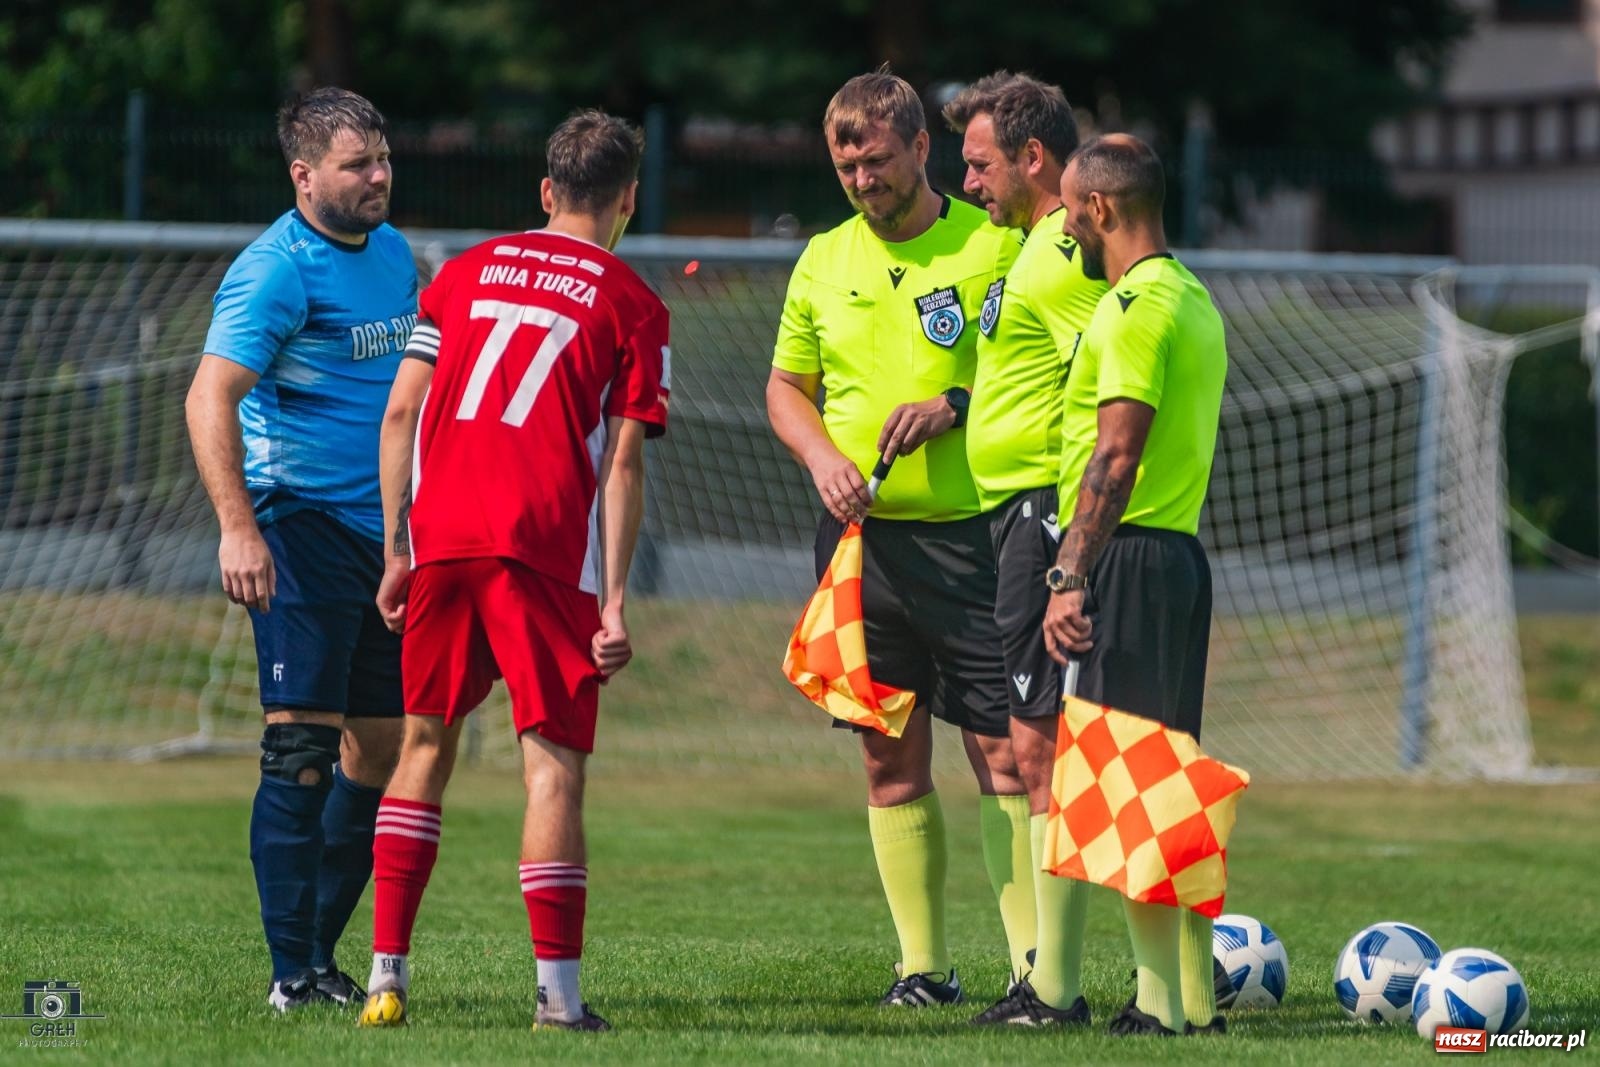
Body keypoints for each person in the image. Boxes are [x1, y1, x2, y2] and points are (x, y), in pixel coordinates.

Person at [356, 108, 668, 1033]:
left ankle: (385, 977)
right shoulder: (632, 302)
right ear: (628, 202)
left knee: (423, 747)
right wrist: (613, 600)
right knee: (552, 771)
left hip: (442, 534)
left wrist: (396, 547)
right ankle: (558, 1002)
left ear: (544, 193)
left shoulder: (458, 276)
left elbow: (401, 414)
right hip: (539, 548)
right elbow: (623, 460)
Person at [766, 67, 1033, 1007]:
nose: (861, 179)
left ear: (923, 149)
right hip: (861, 549)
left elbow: (1027, 368)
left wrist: (954, 404)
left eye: (876, 160)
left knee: (1002, 751)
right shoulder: (823, 260)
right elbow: (786, 388)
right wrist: (820, 462)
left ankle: (1034, 970)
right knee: (887, 752)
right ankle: (923, 967)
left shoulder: (993, 244)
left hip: (976, 540)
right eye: (846, 164)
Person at [185, 87, 415, 1012]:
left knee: (384, 747)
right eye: (358, 164)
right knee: (300, 750)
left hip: (385, 539)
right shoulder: (275, 270)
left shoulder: (396, 256)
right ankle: (290, 974)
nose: (378, 176)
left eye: (384, 159)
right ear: (304, 174)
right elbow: (209, 397)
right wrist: (239, 526)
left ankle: (319, 959)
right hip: (300, 523)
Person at [1041, 133, 1229, 1037]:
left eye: (1070, 209)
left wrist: (1069, 573)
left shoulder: (1133, 310)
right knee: (1171, 782)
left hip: (1131, 560)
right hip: (1176, 558)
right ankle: (1193, 1001)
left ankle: (1158, 1008)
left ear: (1102, 210)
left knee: (1134, 788)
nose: (1063, 223)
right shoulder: (1191, 295)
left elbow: (1116, 456)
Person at [940, 71, 1107, 1027]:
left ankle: (1055, 987)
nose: (970, 181)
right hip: (1013, 515)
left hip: (1044, 515)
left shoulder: (1061, 255)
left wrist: (1074, 520)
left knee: (1042, 746)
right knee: (1023, 741)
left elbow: (1118, 359)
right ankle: (1047, 974)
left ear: (1033, 158)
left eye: (979, 162)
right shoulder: (1027, 250)